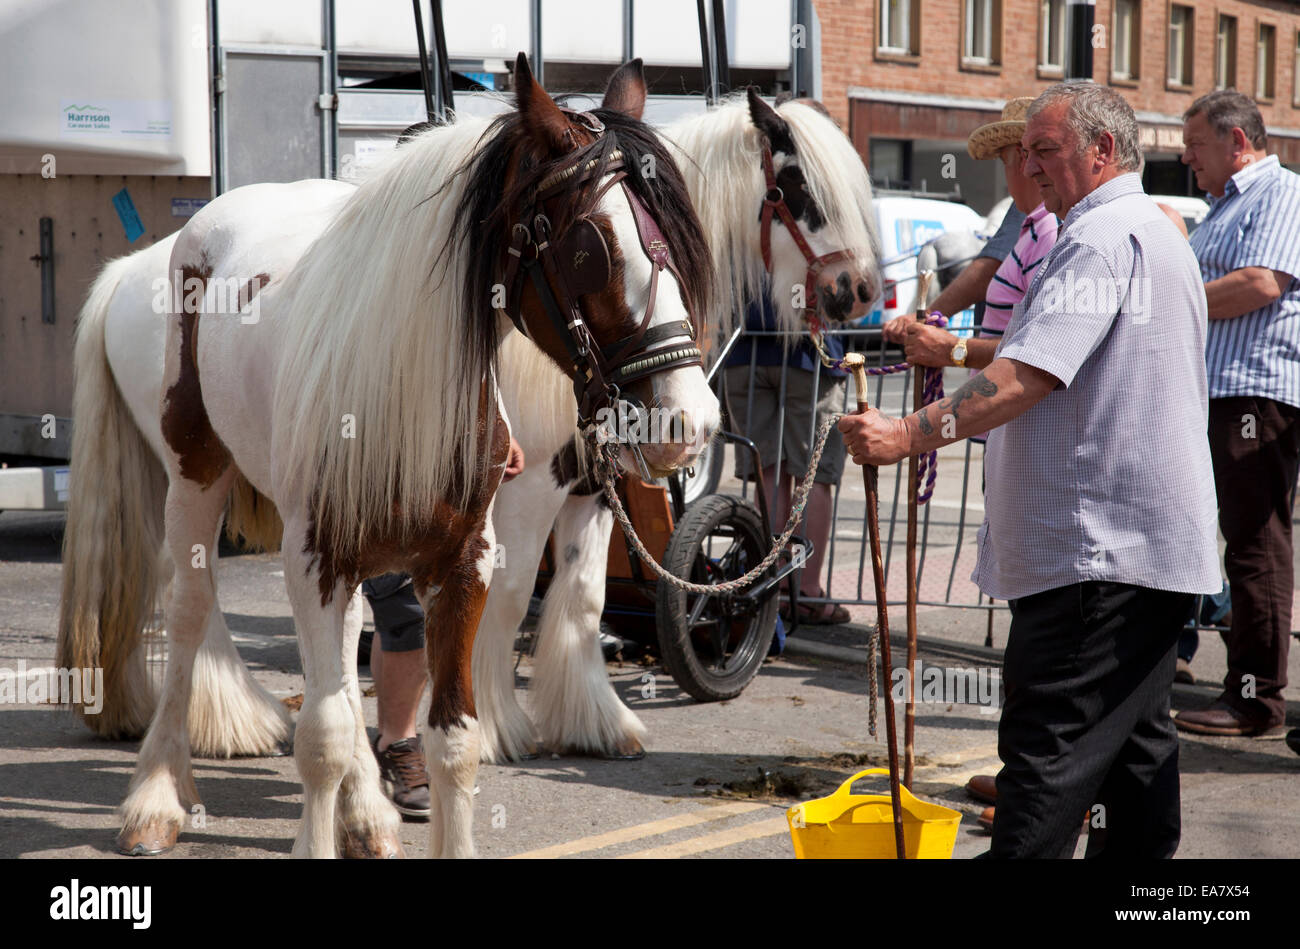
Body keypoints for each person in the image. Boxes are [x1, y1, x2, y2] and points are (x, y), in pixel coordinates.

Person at [839, 82, 1221, 858]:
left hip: (1095, 553)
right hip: (1147, 549)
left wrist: (905, 433)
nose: (1033, 169)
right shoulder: (1158, 228)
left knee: (1046, 768)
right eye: (1030, 153)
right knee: (1135, 762)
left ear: (1102, 150)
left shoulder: (1097, 238)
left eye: (1046, 150)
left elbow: (1022, 375)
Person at [884, 97, 1061, 827]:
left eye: (1015, 155)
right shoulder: (1028, 232)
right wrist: (939, 334)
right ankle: (1033, 780)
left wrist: (945, 350)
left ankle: (1048, 795)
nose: (1009, 170)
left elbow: (1035, 351)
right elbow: (989, 289)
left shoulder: (1054, 234)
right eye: (1002, 157)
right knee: (1033, 622)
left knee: (1048, 632)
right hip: (1014, 442)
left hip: (1038, 439)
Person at [1171, 90, 1300, 742]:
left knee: (1256, 544)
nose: (1185, 154)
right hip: (1225, 391)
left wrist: (1176, 297)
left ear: (1237, 142)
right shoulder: (1227, 205)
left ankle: (1255, 699)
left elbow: (1261, 284)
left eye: (1195, 143)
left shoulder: (1280, 193)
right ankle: (1245, 689)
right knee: (1244, 540)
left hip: (1256, 392)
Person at [367, 438, 525, 818]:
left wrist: (496, 426)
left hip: (437, 428)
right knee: (400, 596)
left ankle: (392, 738)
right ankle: (397, 741)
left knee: (405, 603)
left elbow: (472, 373)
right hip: (370, 428)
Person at [723, 284, 850, 624]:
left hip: (742, 350)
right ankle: (806, 592)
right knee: (814, 476)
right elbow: (853, 295)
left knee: (768, 472)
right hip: (810, 352)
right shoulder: (827, 227)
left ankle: (771, 588)